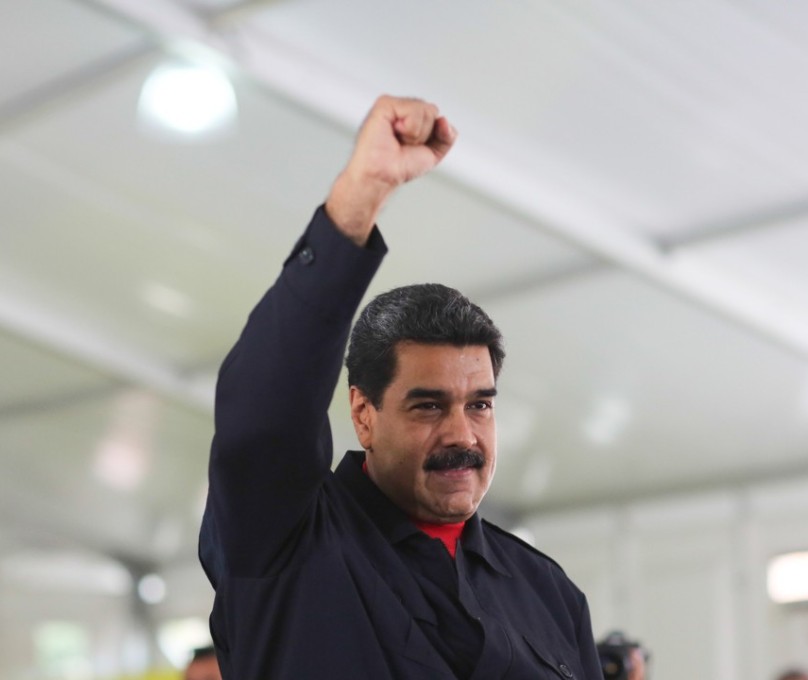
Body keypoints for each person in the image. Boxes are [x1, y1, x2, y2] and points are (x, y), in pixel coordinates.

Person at [199, 95, 602, 679]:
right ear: (363, 413)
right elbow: (264, 414)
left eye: (480, 404)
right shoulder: (288, 543)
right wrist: (358, 198)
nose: (461, 434)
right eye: (428, 406)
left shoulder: (547, 593)